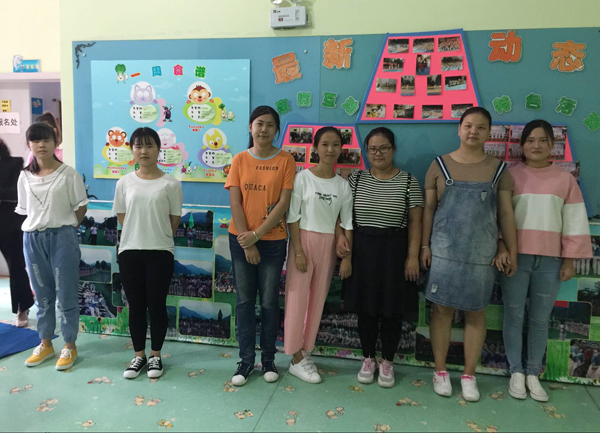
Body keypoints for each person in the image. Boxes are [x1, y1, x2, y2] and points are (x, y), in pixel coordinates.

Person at [420, 107, 517, 402]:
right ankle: (440, 370)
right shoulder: (439, 165)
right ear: (459, 129)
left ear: (489, 133)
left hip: (481, 255)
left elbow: (505, 214)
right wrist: (424, 246)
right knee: (441, 311)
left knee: (476, 313)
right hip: (443, 253)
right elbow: (428, 210)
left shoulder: (499, 170)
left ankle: (469, 374)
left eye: (481, 127)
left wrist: (511, 250)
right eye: (468, 126)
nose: (474, 131)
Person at [497, 119, 592, 402]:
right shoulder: (510, 176)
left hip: (551, 261)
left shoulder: (565, 180)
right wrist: (502, 246)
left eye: (542, 140)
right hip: (516, 258)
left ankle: (532, 373)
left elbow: (574, 220)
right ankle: (516, 371)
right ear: (521, 145)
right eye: (530, 140)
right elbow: (500, 216)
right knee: (514, 316)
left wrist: (569, 260)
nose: (536, 145)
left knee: (540, 319)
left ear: (552, 145)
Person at [337, 127, 423, 388]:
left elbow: (416, 223)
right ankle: (368, 358)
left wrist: (412, 256)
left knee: (392, 310)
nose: (378, 153)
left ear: (393, 149)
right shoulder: (356, 179)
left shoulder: (409, 181)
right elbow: (344, 217)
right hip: (362, 249)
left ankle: (387, 361)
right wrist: (344, 249)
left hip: (395, 251)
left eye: (384, 148)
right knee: (365, 309)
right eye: (372, 149)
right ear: (366, 151)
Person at [225, 106, 295, 386]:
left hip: (273, 241)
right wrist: (247, 240)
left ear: (276, 130)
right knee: (244, 301)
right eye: (259, 124)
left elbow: (284, 203)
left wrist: (257, 235)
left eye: (270, 125)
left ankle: (268, 359)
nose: (264, 129)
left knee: (268, 302)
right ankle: (245, 361)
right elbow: (235, 202)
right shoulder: (240, 159)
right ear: (250, 127)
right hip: (241, 240)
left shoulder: (286, 160)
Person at [16, 123, 89, 370]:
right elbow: (26, 210)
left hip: (62, 238)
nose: (41, 145)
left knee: (66, 293)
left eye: (46, 140)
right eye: (35, 140)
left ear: (56, 143)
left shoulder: (69, 174)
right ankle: (45, 343)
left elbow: (81, 207)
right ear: (29, 145)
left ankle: (69, 345)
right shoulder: (24, 176)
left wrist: (66, 227)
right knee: (42, 294)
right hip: (33, 239)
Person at [284, 126, 353, 384]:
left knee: (317, 300)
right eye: (325, 144)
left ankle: (306, 352)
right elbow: (293, 217)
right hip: (303, 241)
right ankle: (295, 358)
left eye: (335, 145)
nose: (330, 149)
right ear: (315, 148)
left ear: (341, 149)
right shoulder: (302, 178)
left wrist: (346, 255)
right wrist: (298, 251)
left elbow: (346, 223)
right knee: (297, 299)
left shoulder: (343, 185)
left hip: (328, 244)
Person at [113, 127, 183, 379]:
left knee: (156, 305)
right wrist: (138, 233)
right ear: (132, 150)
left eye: (149, 145)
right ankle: (138, 356)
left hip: (160, 252)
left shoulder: (171, 184)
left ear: (158, 149)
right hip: (130, 251)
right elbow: (123, 216)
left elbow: (174, 219)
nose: (144, 151)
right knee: (136, 306)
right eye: (138, 146)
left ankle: (155, 356)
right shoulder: (124, 182)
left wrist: (157, 235)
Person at [0, 139, 34, 327]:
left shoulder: (15, 163)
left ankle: (23, 307)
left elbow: (15, 192)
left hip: (9, 224)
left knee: (16, 267)